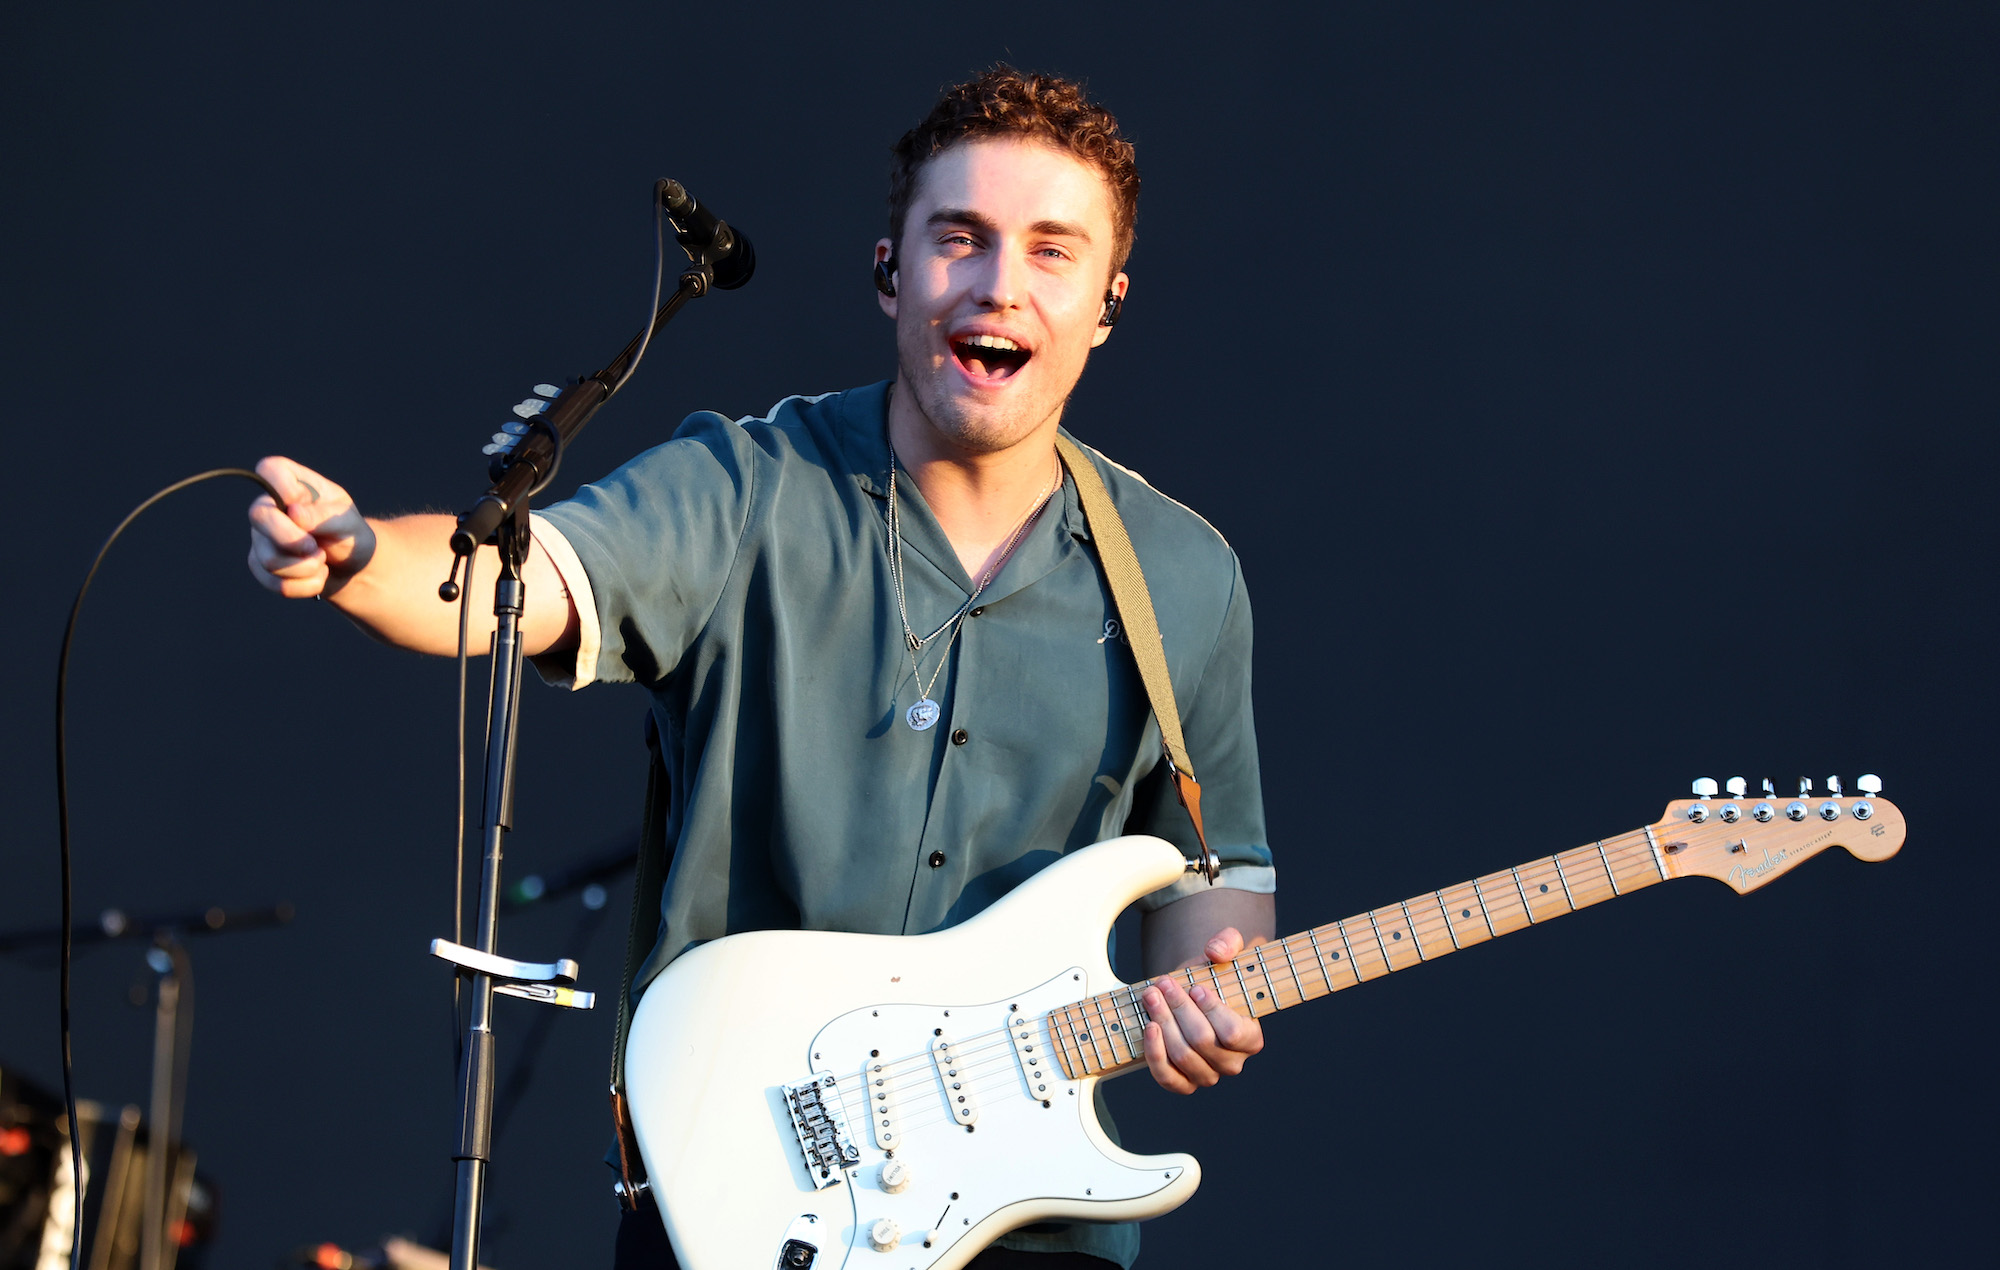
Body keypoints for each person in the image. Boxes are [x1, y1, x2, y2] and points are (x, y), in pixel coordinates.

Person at [245, 68, 1275, 1270]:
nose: (1001, 284)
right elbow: (529, 578)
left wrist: (1214, 980)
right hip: (736, 1203)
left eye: (1054, 251)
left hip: (1027, 1227)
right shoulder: (746, 486)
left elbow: (1213, 869)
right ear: (890, 271)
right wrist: (360, 558)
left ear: (1106, 301)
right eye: (960, 238)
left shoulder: (1182, 576)